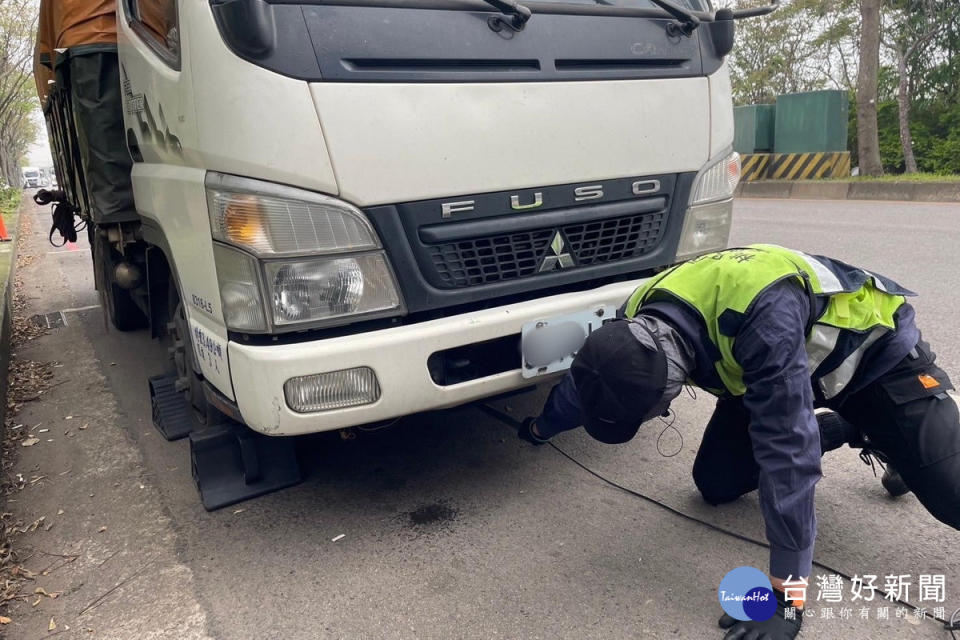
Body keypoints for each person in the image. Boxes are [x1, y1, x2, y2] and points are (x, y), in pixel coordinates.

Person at [520, 244, 960, 640]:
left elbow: (787, 456)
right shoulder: (634, 321)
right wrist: (542, 428)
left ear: (670, 391)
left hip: (876, 363)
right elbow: (591, 381)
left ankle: (881, 429)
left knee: (949, 493)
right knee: (717, 482)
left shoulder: (762, 326)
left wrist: (785, 595)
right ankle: (847, 428)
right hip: (773, 371)